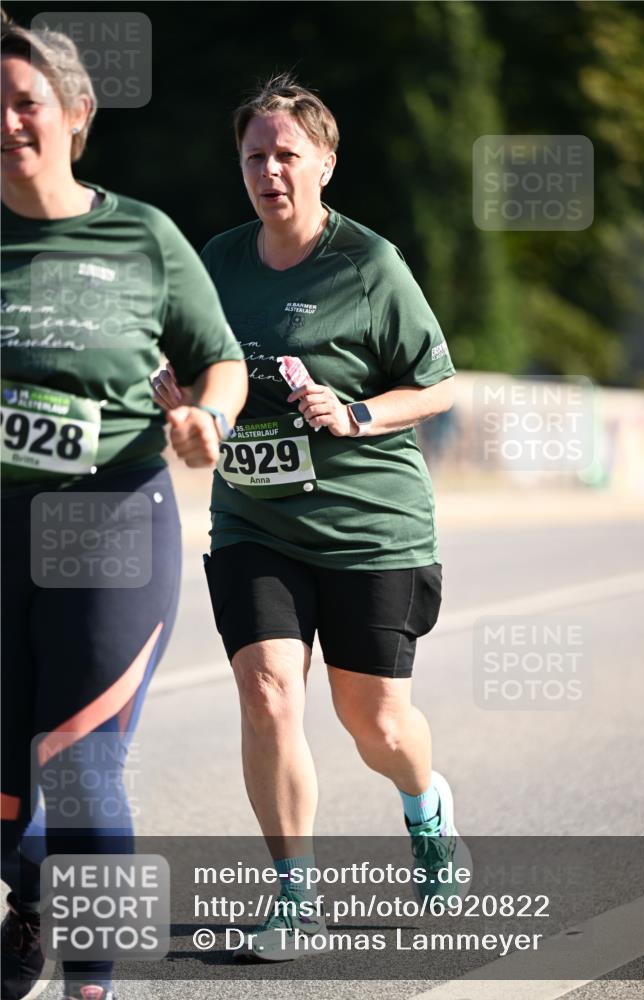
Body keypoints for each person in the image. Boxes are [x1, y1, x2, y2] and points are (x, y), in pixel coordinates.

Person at [152, 74, 470, 962]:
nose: (269, 170)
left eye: (287, 153)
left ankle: (426, 809)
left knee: (374, 724)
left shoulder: (369, 265)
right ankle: (296, 895)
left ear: (325, 162)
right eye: (254, 156)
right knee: (267, 695)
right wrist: (178, 396)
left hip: (369, 527)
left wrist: (357, 413)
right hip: (256, 522)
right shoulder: (217, 261)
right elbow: (188, 360)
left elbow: (438, 383)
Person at [0, 17, 247, 1000]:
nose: (10, 121)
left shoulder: (140, 234)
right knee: (14, 798)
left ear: (74, 114)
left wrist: (210, 421)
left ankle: (91, 985)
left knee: (79, 764)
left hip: (111, 517)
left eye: (25, 100)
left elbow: (217, 357)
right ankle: (34, 899)